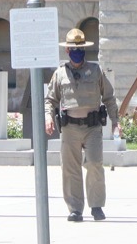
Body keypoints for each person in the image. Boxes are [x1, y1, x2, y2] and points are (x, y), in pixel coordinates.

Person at [45, 28, 120, 221]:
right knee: (70, 168)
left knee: (94, 163)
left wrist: (115, 122)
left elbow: (109, 97)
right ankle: (75, 208)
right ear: (67, 51)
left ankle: (96, 206)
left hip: (92, 127)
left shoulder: (96, 71)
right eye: (73, 48)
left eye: (80, 48)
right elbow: (50, 100)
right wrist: (47, 117)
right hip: (69, 127)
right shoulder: (60, 73)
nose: (77, 51)